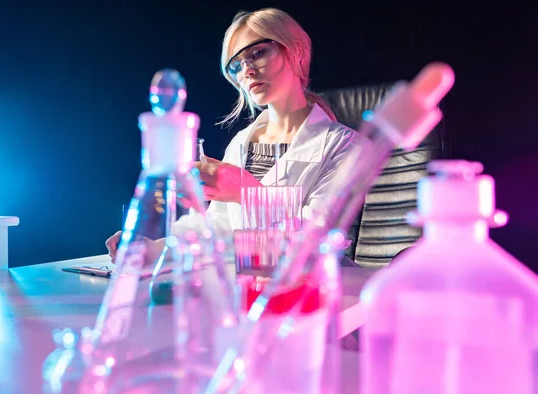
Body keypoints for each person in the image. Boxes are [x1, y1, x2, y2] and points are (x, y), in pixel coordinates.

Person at [106, 7, 370, 264]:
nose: (248, 70)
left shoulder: (346, 147)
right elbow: (218, 227)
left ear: (296, 51)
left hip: (312, 294)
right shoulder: (242, 143)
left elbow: (318, 240)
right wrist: (152, 249)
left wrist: (246, 192)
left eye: (258, 53)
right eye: (237, 65)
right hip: (245, 285)